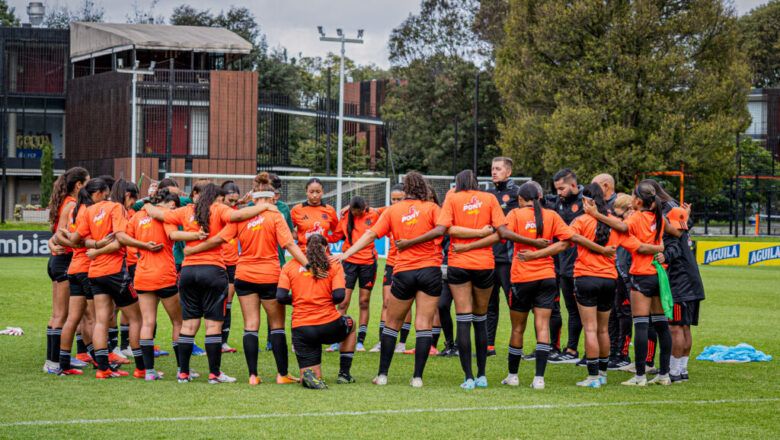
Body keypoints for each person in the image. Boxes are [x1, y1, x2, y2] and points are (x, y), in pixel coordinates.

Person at [142, 183, 278, 384]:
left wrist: (146, 204)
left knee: (188, 324)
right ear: (216, 197)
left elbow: (159, 214)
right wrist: (264, 206)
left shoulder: (187, 210)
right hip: (213, 270)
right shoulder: (218, 208)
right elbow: (238, 216)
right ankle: (214, 374)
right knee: (213, 324)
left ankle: (183, 373)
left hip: (188, 272)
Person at [186, 173, 308, 385]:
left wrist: (193, 250)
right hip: (269, 275)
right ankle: (282, 374)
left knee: (250, 325)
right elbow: (289, 245)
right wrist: (308, 265)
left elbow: (218, 239)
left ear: (253, 197)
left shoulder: (241, 215)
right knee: (277, 325)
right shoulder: (275, 215)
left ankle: (253, 376)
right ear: (271, 198)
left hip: (244, 275)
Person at [337, 172, 444, 387]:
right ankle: (417, 378)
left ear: (405, 190)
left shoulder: (394, 210)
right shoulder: (433, 208)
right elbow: (444, 229)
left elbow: (370, 235)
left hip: (403, 271)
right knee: (423, 323)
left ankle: (383, 375)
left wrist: (346, 253)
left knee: (392, 323)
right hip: (430, 270)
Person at [62, 178, 160, 379]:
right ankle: (141, 368)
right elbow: (120, 238)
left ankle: (103, 369)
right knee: (136, 318)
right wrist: (144, 245)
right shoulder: (116, 208)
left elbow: (74, 240)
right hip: (115, 271)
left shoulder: (88, 211)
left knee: (100, 321)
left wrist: (91, 245)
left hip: (95, 273)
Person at [569, 184, 663, 388]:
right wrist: (662, 247)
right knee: (603, 329)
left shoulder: (582, 220)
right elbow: (637, 246)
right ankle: (602, 372)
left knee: (590, 329)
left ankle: (593, 377)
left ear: (587, 201)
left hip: (585, 277)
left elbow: (567, 239)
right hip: (609, 280)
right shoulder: (614, 224)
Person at [433, 169, 509, 390]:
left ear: (457, 183)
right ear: (476, 183)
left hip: (458, 264)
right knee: (481, 319)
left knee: (463, 319)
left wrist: (468, 238)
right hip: (485, 264)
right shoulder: (489, 198)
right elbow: (501, 232)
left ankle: (468, 377)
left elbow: (446, 229)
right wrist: (480, 234)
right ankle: (482, 375)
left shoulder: (452, 198)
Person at [278, 234, 356, 389]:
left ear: (304, 248)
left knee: (312, 375)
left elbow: (280, 296)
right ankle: (344, 374)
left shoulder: (290, 265)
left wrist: (301, 299)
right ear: (326, 248)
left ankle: (308, 375)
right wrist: (322, 300)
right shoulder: (333, 264)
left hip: (302, 328)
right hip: (329, 324)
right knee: (351, 324)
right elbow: (340, 296)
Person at [125, 188, 186, 381]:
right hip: (164, 275)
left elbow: (129, 244)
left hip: (143, 275)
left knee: (147, 322)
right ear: (165, 202)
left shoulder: (136, 217)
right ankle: (181, 369)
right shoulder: (166, 218)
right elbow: (174, 236)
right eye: (173, 205)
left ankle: (149, 371)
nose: (174, 209)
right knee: (178, 321)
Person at [45, 167, 89, 373]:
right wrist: (80, 244)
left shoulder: (65, 202)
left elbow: (55, 235)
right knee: (61, 316)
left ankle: (56, 361)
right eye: (87, 183)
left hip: (57, 260)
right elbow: (62, 234)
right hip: (63, 262)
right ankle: (54, 363)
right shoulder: (72, 204)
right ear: (79, 185)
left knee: (58, 315)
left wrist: (54, 243)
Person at [657, 206, 704, 383]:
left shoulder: (673, 237)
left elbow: (673, 251)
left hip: (680, 288)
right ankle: (682, 368)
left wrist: (664, 256)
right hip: (694, 287)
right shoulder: (685, 233)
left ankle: (674, 370)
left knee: (675, 328)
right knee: (685, 328)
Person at [331, 196, 381, 352]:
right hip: (349, 263)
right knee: (343, 301)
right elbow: (336, 236)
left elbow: (390, 209)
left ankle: (360, 341)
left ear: (365, 208)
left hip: (368, 264)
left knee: (364, 301)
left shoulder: (373, 214)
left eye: (359, 212)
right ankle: (337, 339)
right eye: (354, 212)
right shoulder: (346, 216)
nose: (357, 215)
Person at [485, 157, 521, 356]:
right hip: (489, 258)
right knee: (489, 304)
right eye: (492, 169)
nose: (494, 172)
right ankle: (489, 345)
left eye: (498, 169)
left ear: (508, 172)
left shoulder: (517, 194)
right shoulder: (488, 195)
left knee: (514, 303)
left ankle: (516, 346)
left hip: (508, 260)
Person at [549, 168, 585, 364]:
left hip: (583, 267)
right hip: (563, 266)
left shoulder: (586, 202)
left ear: (573, 185)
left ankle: (581, 351)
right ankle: (570, 349)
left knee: (586, 310)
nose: (559, 192)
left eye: (562, 188)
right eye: (556, 189)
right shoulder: (557, 203)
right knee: (571, 309)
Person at [370, 184, 406, 353]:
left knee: (405, 304)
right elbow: (371, 209)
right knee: (386, 303)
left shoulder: (411, 213)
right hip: (391, 263)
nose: (396, 202)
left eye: (400, 199)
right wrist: (348, 207)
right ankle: (382, 341)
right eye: (394, 199)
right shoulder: (388, 212)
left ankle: (402, 343)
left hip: (407, 263)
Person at [608, 194, 635, 369]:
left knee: (625, 314)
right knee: (614, 313)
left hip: (630, 276)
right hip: (616, 273)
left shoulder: (633, 224)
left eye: (620, 215)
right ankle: (612, 351)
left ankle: (623, 353)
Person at [219, 181, 242, 354]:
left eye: (236, 200)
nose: (233, 204)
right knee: (215, 303)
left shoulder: (237, 214)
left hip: (232, 263)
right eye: (230, 200)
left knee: (228, 302)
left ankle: (223, 342)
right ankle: (212, 338)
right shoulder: (215, 212)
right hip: (216, 262)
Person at [290, 178, 340, 251]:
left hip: (323, 253)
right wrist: (299, 237)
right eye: (311, 192)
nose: (315, 195)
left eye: (318, 192)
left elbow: (337, 232)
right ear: (306, 192)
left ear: (322, 192)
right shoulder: (296, 210)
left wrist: (325, 238)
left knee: (337, 263)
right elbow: (287, 229)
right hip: (303, 253)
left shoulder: (330, 210)